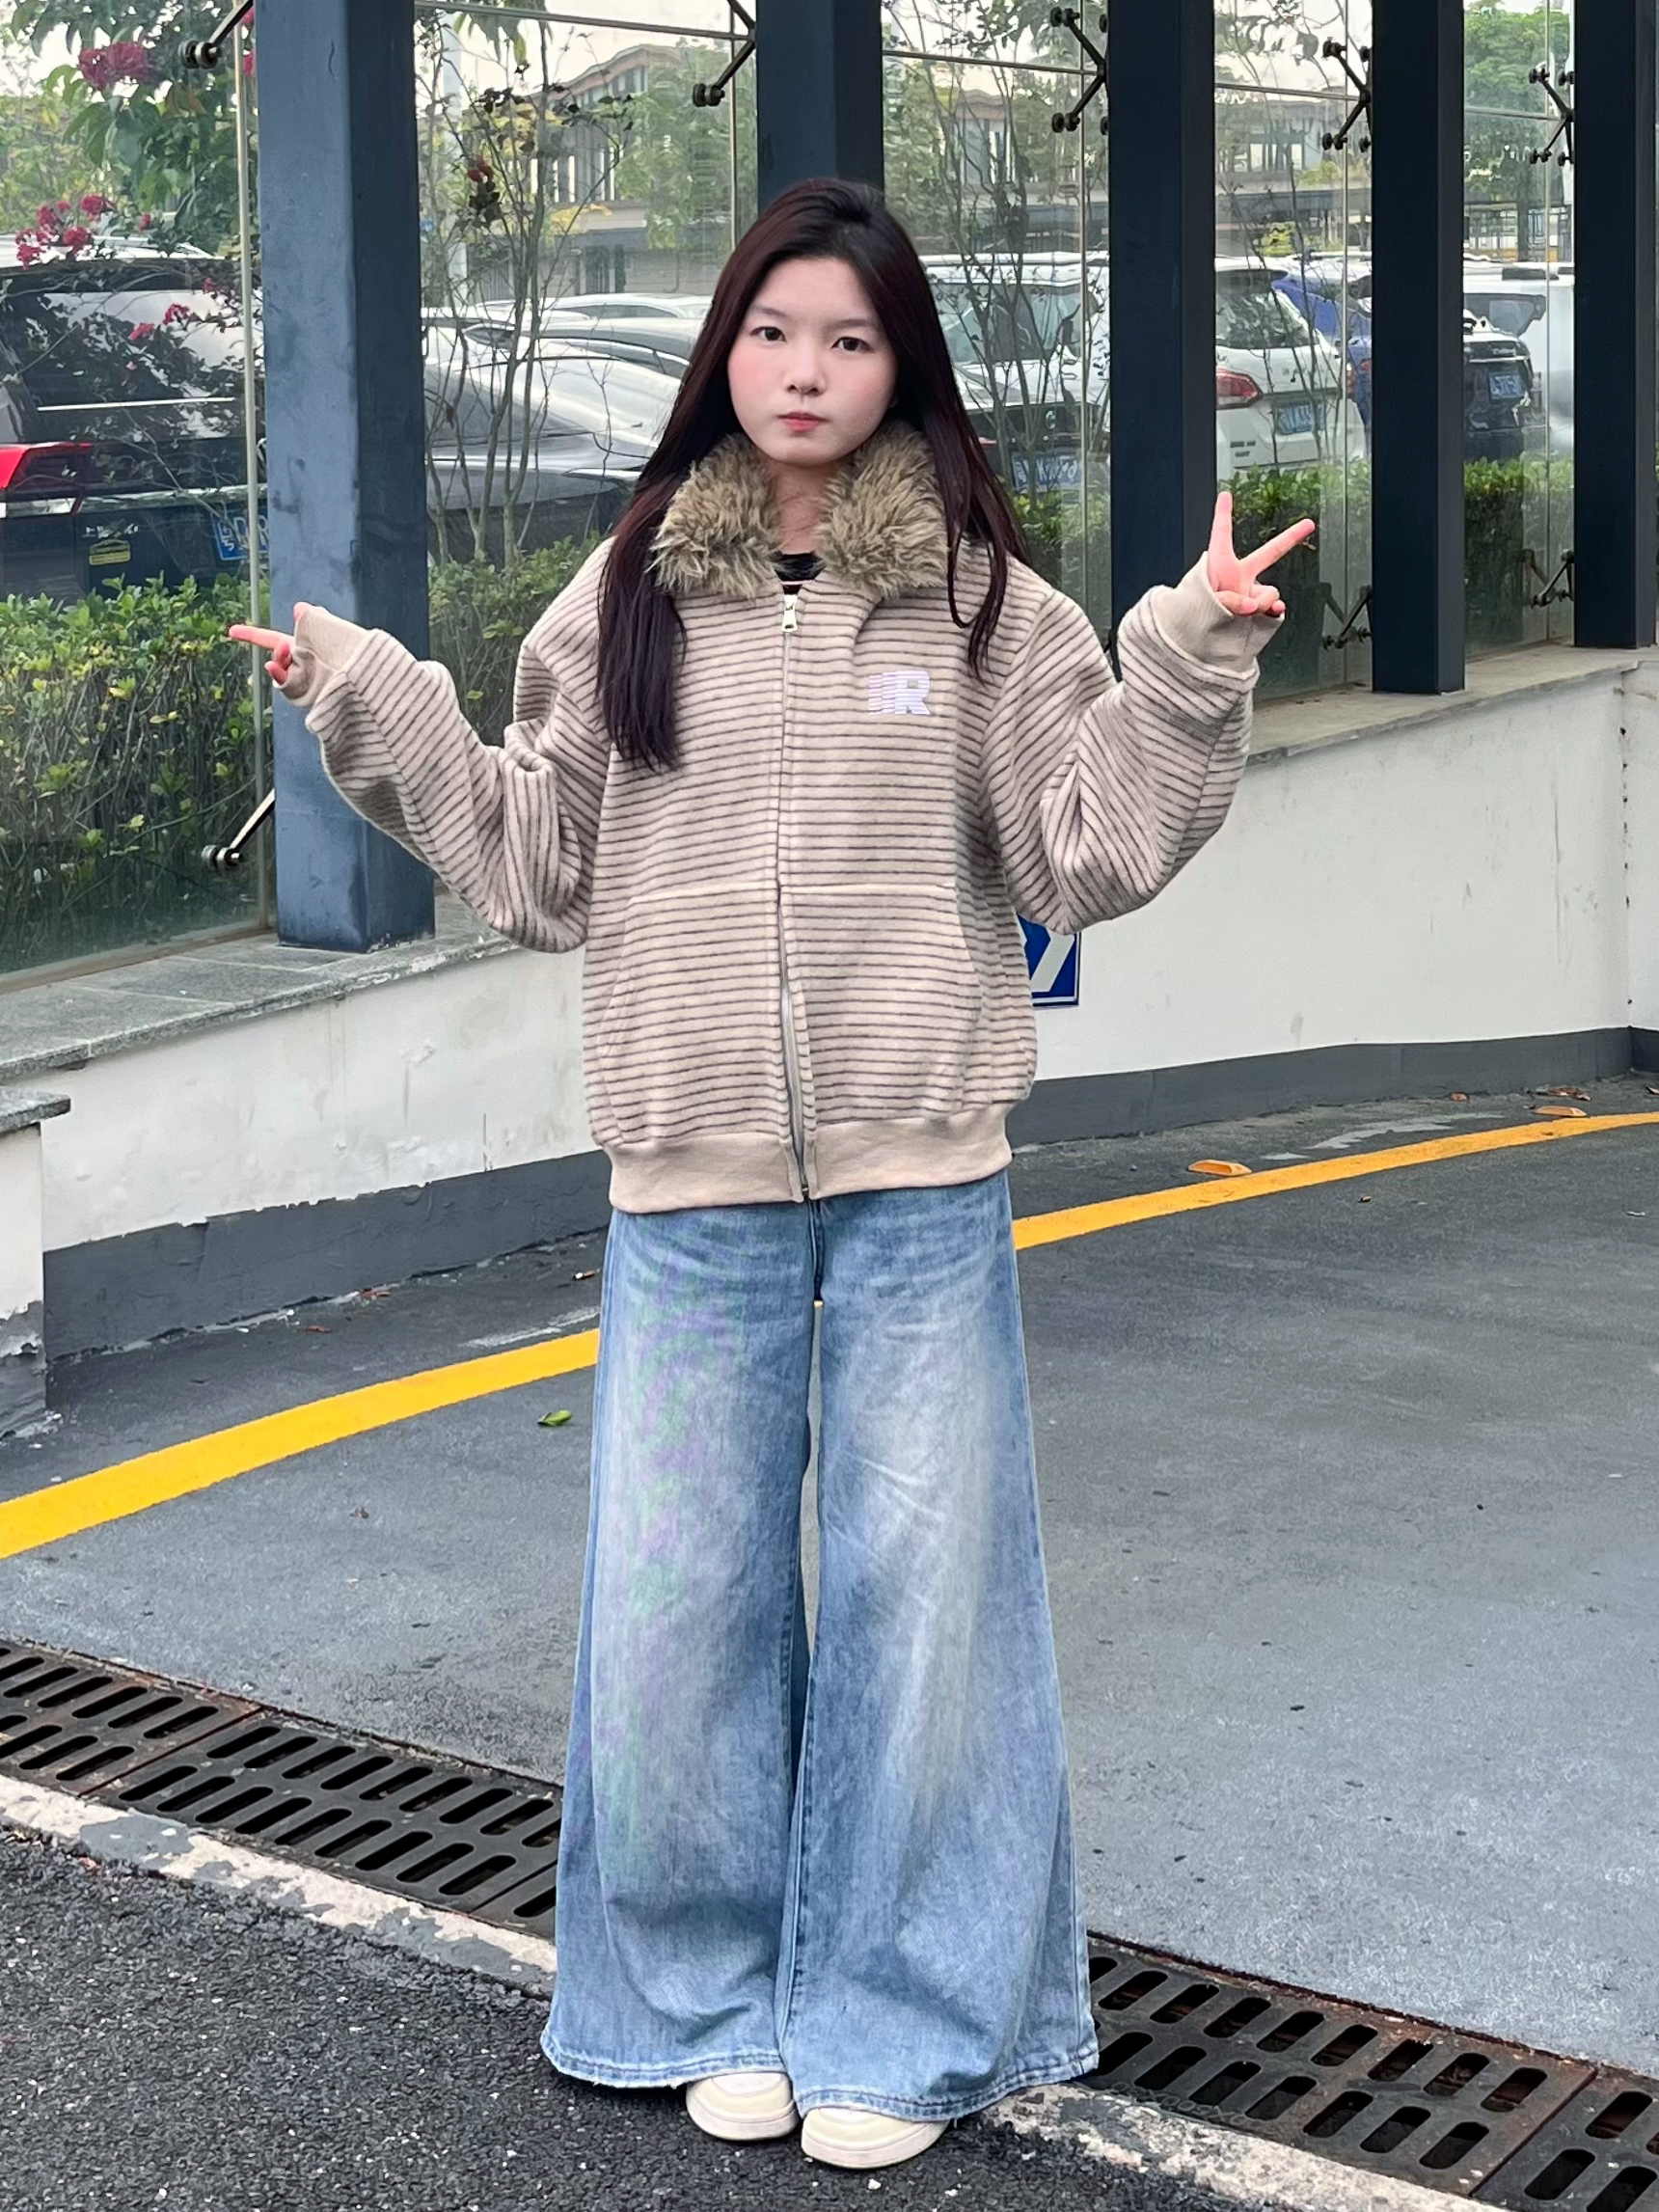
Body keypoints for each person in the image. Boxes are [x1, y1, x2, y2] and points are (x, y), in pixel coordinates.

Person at [233, 178, 1311, 2175]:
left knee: (925, 1602)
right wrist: (365, 701)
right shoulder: (626, 592)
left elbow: (1078, 850)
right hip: (690, 1172)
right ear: (723, 350)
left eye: (848, 338)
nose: (804, 371)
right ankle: (694, 1996)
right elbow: (537, 858)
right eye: (771, 331)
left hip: (921, 1171)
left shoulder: (989, 607)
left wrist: (1184, 658)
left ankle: (897, 2016)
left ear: (903, 367)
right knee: (679, 1603)